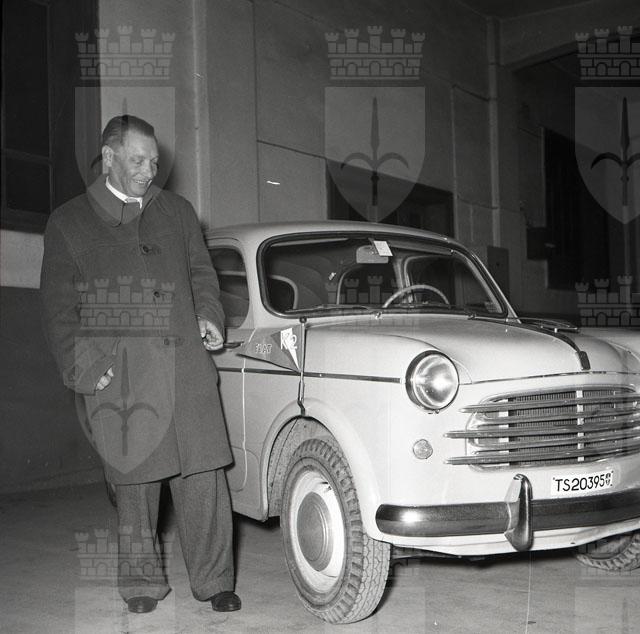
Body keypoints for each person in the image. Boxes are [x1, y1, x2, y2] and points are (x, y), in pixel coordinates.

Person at [40, 114, 241, 615]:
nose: (149, 171)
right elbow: (59, 310)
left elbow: (202, 275)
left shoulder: (177, 211)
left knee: (204, 476)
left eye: (153, 161)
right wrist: (88, 366)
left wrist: (209, 314)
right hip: (123, 376)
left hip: (186, 369)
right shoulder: (69, 221)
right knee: (135, 486)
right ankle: (141, 584)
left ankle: (215, 581)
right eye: (137, 160)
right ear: (108, 157)